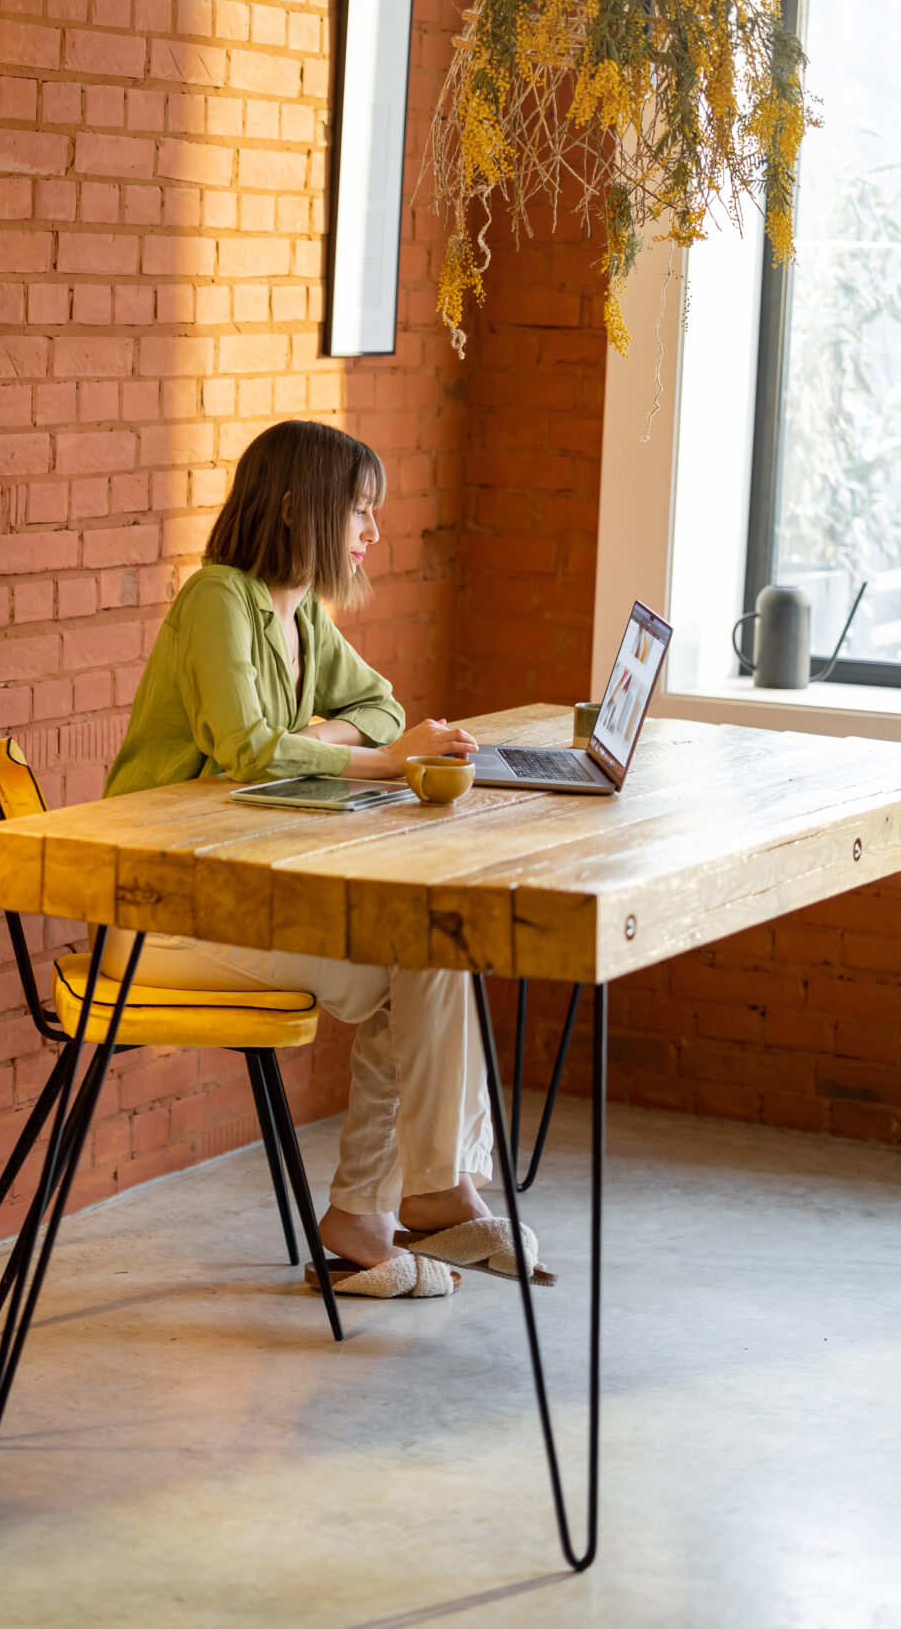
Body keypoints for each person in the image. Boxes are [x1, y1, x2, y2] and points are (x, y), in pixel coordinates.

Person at [100, 418, 553, 1297]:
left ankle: (385, 1209)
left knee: (429, 946)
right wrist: (373, 759)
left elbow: (383, 706)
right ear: (296, 506)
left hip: (238, 891)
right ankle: (422, 1195)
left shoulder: (301, 609)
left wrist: (324, 734)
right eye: (358, 510)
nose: (371, 532)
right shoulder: (217, 601)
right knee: (414, 960)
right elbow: (249, 749)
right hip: (163, 909)